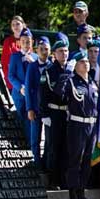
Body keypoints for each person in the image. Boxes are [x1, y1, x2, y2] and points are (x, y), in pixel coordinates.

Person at [57, 51, 98, 199]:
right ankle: (73, 195)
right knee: (75, 161)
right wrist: (66, 73)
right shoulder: (72, 82)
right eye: (81, 62)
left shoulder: (92, 83)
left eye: (87, 61)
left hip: (91, 126)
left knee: (87, 161)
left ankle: (82, 193)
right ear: (75, 66)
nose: (85, 63)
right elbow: (58, 93)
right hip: (77, 125)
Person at [39, 39, 71, 189]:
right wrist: (44, 114)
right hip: (53, 113)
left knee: (66, 147)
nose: (64, 54)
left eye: (65, 51)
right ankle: (53, 180)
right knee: (53, 148)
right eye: (60, 51)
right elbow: (44, 94)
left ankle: (64, 179)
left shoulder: (71, 70)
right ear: (54, 54)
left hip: (66, 113)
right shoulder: (49, 71)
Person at [25, 37, 51, 168]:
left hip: (48, 108)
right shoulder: (32, 66)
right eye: (41, 49)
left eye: (46, 49)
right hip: (35, 107)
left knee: (48, 137)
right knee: (35, 136)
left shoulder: (52, 65)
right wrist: (29, 108)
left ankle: (45, 160)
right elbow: (28, 88)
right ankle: (36, 161)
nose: (43, 52)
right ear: (36, 50)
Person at [8, 28, 35, 144]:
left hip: (32, 96)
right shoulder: (15, 56)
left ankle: (30, 145)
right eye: (23, 41)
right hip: (19, 95)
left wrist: (33, 63)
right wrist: (20, 87)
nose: (25, 44)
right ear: (19, 43)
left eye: (28, 41)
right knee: (19, 119)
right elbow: (11, 76)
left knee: (31, 122)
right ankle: (18, 145)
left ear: (32, 42)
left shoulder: (35, 57)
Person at [0, 15, 26, 90]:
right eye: (13, 25)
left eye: (18, 24)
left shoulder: (28, 40)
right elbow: (5, 62)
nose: (15, 26)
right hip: (12, 80)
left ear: (23, 25)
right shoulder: (8, 41)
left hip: (25, 80)